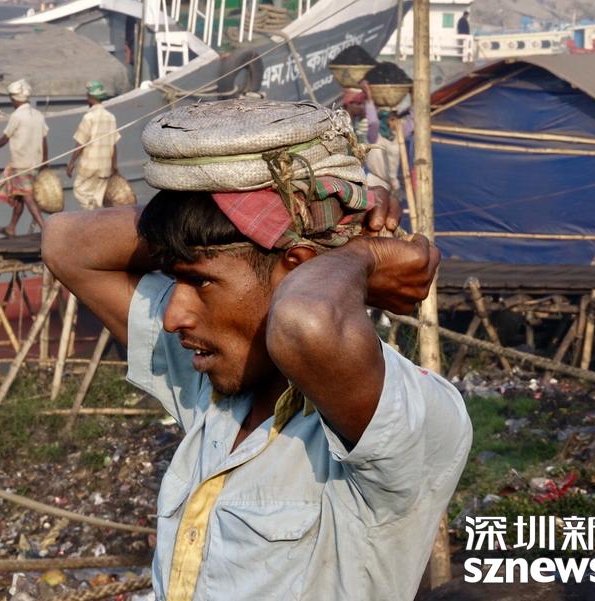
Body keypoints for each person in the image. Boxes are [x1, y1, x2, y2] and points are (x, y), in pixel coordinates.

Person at [42, 100, 471, 601]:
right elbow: (65, 243)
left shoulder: (406, 416)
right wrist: (218, 206)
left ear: (298, 269)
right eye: (174, 279)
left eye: (200, 281)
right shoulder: (215, 386)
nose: (173, 316)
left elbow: (304, 324)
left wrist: (361, 255)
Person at [0, 79, 49, 236]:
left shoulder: (16, 116)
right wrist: (45, 161)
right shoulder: (38, 115)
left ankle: (45, 228)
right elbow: (44, 139)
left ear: (14, 99)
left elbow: (6, 137)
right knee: (20, 195)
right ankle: (11, 227)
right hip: (35, 164)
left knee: (27, 197)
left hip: (21, 164)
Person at [66, 81, 121, 210]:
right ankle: (96, 216)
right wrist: (114, 166)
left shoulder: (89, 117)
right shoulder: (110, 117)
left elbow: (80, 142)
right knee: (97, 196)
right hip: (105, 166)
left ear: (89, 97)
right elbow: (113, 144)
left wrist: (71, 162)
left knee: (79, 190)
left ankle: (91, 215)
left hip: (89, 166)